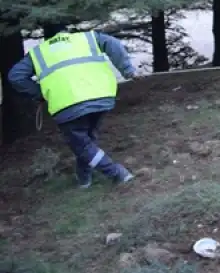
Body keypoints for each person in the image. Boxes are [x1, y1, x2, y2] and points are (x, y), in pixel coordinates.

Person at [7, 22, 139, 188]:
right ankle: (84, 180)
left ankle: (118, 174)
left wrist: (39, 93)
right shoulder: (88, 37)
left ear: (45, 36)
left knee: (82, 146)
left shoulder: (38, 53)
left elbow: (15, 76)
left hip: (67, 104)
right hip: (101, 96)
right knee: (87, 140)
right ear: (67, 30)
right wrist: (127, 70)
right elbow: (113, 43)